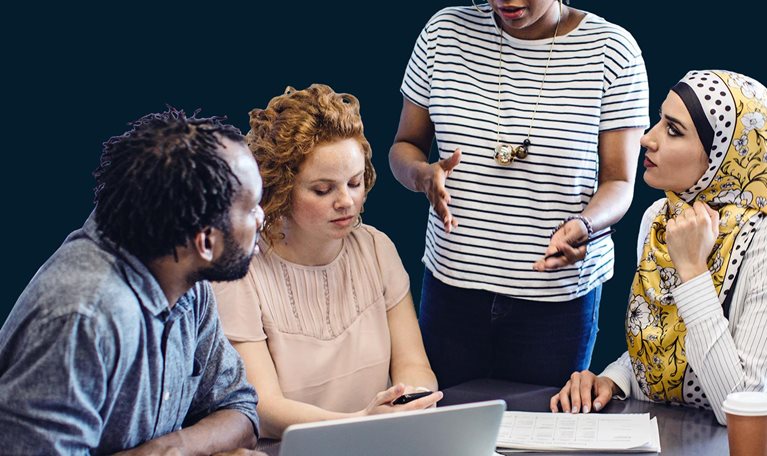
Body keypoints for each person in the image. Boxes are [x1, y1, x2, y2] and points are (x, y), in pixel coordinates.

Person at [389, 0, 649, 388]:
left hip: (556, 305)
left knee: (542, 436)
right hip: (452, 292)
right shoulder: (443, 33)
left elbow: (620, 182)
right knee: (446, 435)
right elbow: (404, 146)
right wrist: (422, 175)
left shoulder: (612, 51)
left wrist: (585, 224)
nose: (508, 2)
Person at [0, 108, 266, 453]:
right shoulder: (82, 318)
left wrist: (171, 450)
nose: (261, 218)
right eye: (251, 207)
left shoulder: (185, 278)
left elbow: (240, 410)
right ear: (205, 242)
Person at [213, 84, 441, 439]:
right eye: (323, 189)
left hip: (382, 441)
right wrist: (360, 425)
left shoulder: (378, 249)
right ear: (279, 189)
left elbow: (413, 364)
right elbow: (263, 407)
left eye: (354, 183)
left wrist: (406, 406)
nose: (346, 201)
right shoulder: (240, 274)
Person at [551, 70, 767, 425]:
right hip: (664, 436)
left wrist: (693, 271)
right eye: (659, 121)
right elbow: (666, 348)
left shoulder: (760, 241)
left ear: (722, 155)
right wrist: (613, 380)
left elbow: (738, 408)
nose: (647, 139)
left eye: (673, 130)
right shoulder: (660, 218)